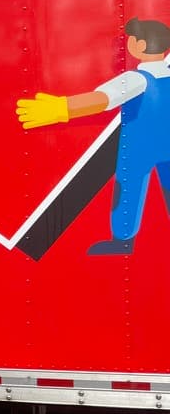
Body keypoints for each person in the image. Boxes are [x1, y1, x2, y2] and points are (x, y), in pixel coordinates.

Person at [17, 17, 170, 255]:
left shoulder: (136, 79)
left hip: (140, 147)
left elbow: (102, 100)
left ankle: (123, 243)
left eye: (131, 40)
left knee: (129, 189)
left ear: (139, 46)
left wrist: (61, 109)